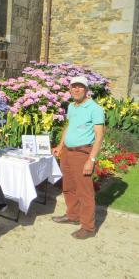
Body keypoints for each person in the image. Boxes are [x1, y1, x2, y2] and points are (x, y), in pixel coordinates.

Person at [52, 76, 105, 239]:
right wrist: (61, 146)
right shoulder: (72, 107)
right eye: (73, 86)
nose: (76, 89)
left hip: (83, 154)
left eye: (80, 87)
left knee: (85, 191)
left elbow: (99, 135)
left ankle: (88, 227)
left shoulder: (95, 108)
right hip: (68, 152)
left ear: (86, 89)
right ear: (70, 89)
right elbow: (69, 126)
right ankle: (73, 215)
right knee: (68, 187)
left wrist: (91, 160)